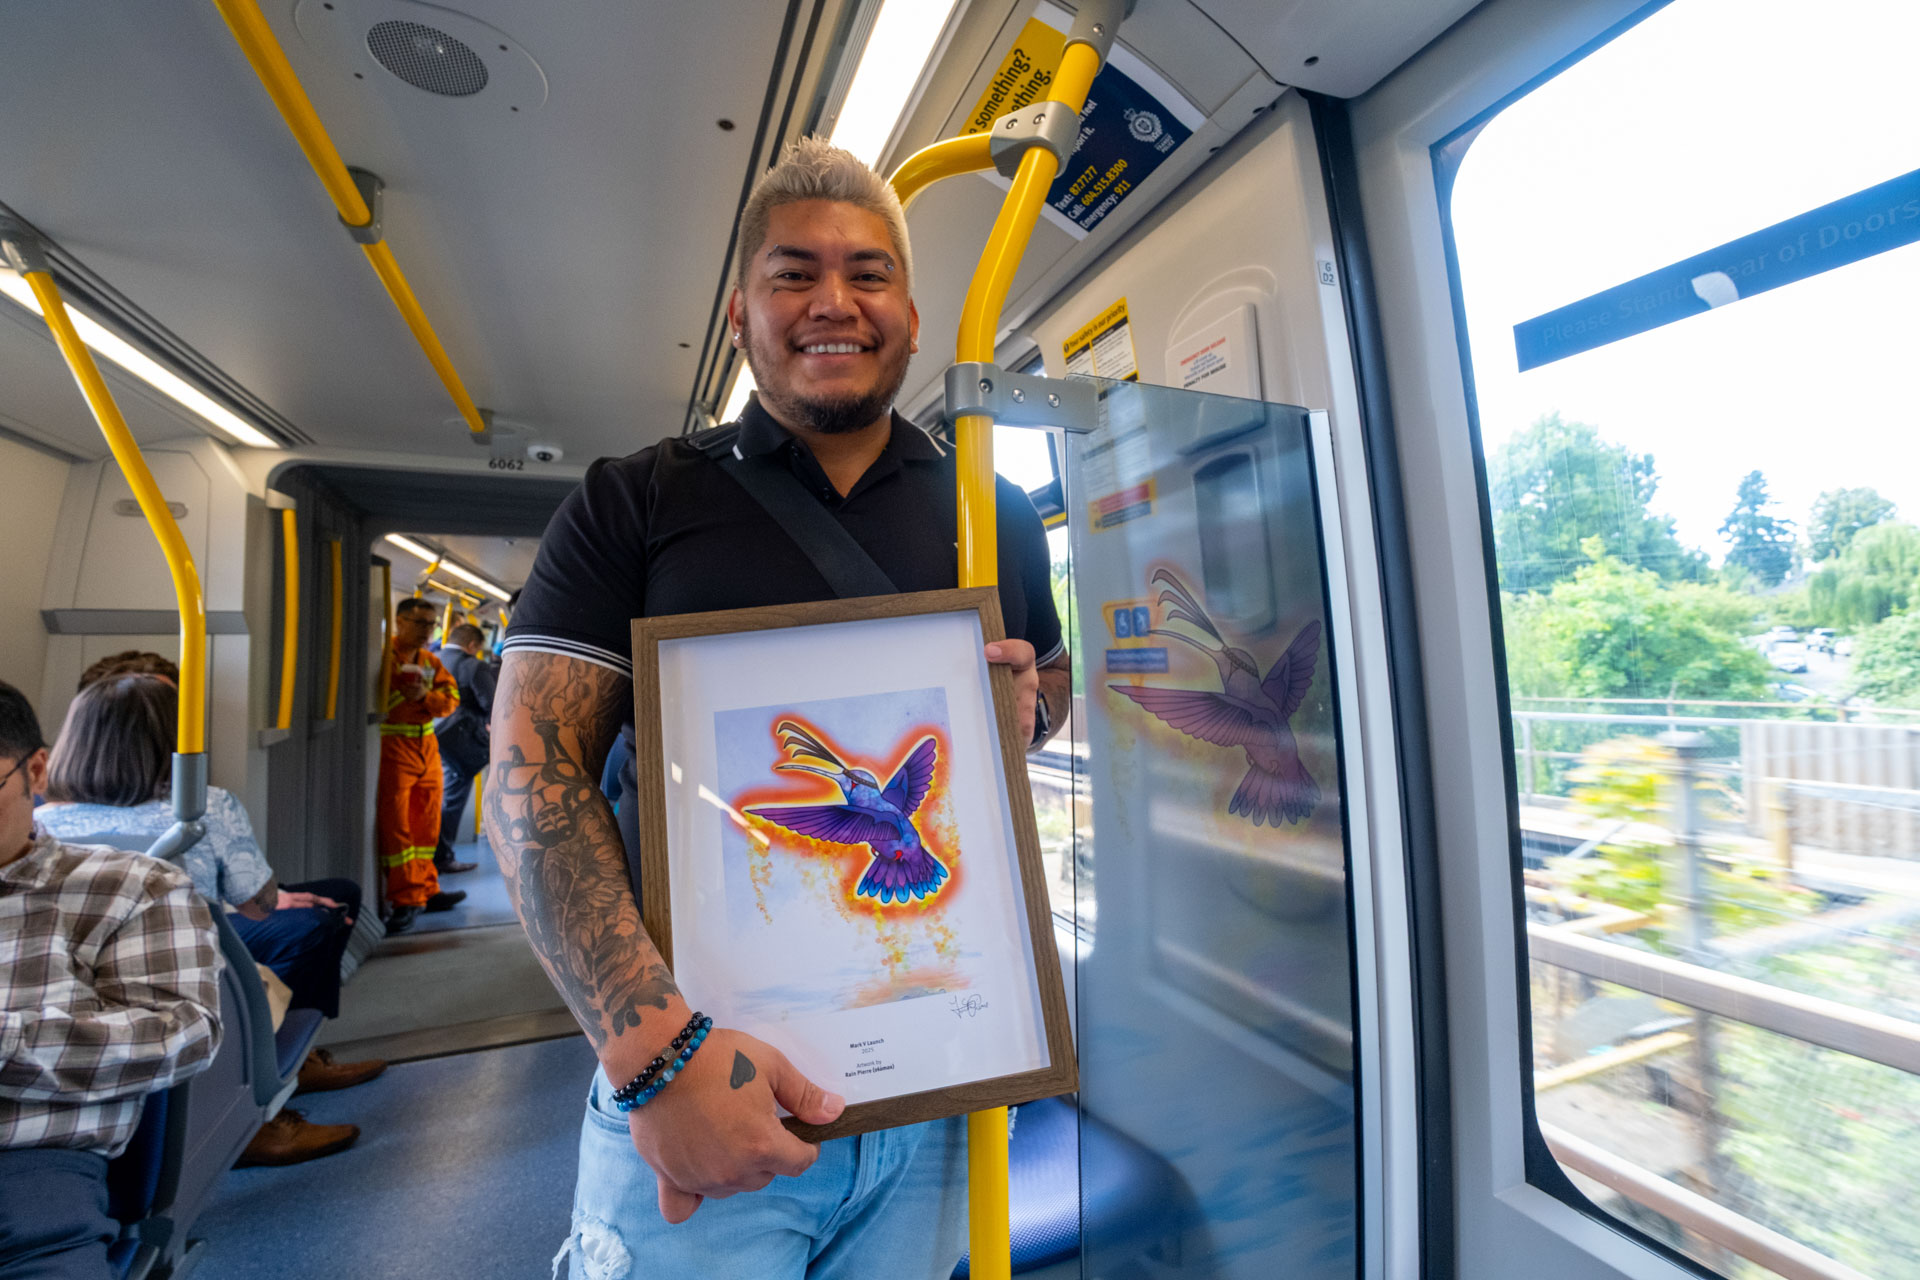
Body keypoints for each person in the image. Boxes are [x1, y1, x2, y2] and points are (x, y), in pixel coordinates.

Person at [490, 137, 1070, 1279]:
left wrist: (1025, 713)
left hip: (939, 1081)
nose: (834, 301)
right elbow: (530, 773)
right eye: (793, 272)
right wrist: (656, 1058)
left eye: (868, 271)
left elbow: (1046, 701)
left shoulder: (988, 505)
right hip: (703, 1076)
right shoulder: (635, 499)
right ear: (740, 312)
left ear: (909, 308)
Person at [35, 674, 381, 1165]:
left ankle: (295, 1066)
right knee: (320, 919)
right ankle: (260, 1102)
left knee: (324, 901)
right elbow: (258, 906)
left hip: (79, 985)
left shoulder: (40, 821)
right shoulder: (201, 808)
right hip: (187, 977)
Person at [0, 679, 220, 1279]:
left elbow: (183, 1034)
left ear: (37, 770)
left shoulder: (129, 888)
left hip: (23, 1166)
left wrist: (9, 1043)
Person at [378, 598, 467, 933]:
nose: (427, 630)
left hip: (427, 748)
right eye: (420, 623)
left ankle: (427, 889)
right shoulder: (385, 659)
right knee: (398, 828)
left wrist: (424, 699)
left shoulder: (431, 661)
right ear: (399, 622)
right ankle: (405, 898)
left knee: (427, 826)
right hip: (395, 747)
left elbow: (451, 700)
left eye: (431, 624)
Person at [431, 623, 495, 876]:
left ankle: (433, 855)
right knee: (453, 798)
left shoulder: (432, 659)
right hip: (460, 743)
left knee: (437, 797)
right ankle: (442, 857)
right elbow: (491, 704)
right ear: (472, 645)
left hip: (431, 737)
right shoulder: (474, 666)